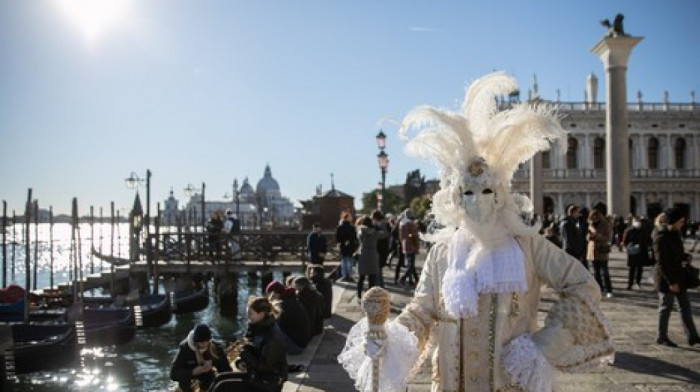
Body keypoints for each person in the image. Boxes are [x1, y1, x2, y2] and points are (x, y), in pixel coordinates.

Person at [337, 72, 613, 392]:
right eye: (468, 193)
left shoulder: (527, 247)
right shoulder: (442, 253)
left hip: (510, 383)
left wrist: (542, 348)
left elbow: (583, 286)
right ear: (455, 198)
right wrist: (389, 339)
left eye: (485, 192)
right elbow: (422, 311)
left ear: (499, 195)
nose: (476, 201)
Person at [210, 296, 288, 392]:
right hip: (257, 375)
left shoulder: (273, 336)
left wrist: (246, 357)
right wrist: (240, 361)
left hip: (267, 383)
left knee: (222, 387)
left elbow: (267, 368)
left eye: (250, 314)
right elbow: (249, 350)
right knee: (219, 378)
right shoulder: (257, 327)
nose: (248, 317)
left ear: (262, 314)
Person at [653, 207, 700, 348]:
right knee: (665, 307)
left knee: (685, 307)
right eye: (680, 221)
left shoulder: (675, 234)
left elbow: (677, 254)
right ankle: (661, 336)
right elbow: (662, 263)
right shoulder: (660, 237)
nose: (683, 223)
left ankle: (693, 336)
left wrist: (686, 256)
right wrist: (671, 282)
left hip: (679, 275)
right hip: (666, 278)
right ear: (673, 221)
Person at [170, 323, 232, 392]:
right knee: (184, 382)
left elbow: (227, 371)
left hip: (207, 374)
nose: (204, 344)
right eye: (201, 342)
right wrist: (193, 372)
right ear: (195, 341)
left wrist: (212, 362)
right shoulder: (184, 349)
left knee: (213, 382)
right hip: (188, 374)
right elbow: (173, 374)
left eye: (207, 341)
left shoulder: (215, 347)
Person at [264, 280, 310, 355]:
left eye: (269, 295)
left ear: (274, 293)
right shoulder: (291, 298)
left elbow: (274, 322)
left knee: (269, 326)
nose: (269, 297)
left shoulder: (283, 305)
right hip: (302, 342)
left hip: (296, 347)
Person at [355, 215, 385, 300]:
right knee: (372, 278)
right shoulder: (375, 232)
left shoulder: (360, 231)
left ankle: (359, 296)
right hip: (373, 256)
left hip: (363, 255)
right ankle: (370, 297)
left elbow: (358, 237)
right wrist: (379, 224)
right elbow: (385, 234)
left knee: (361, 278)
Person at [587, 203, 614, 298]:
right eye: (592, 217)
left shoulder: (605, 224)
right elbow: (588, 237)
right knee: (596, 272)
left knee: (604, 271)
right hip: (592, 250)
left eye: (595, 217)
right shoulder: (590, 225)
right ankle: (599, 289)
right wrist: (589, 237)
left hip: (602, 250)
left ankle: (608, 289)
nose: (594, 219)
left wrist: (596, 236)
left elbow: (608, 237)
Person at [622, 216, 651, 290]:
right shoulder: (629, 230)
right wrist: (629, 245)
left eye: (639, 221)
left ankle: (638, 283)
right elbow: (625, 241)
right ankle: (630, 284)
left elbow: (647, 239)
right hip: (632, 252)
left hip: (641, 251)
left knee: (640, 268)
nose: (638, 223)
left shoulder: (643, 230)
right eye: (636, 221)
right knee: (632, 268)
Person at [398, 209, 420, 288]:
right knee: (411, 265)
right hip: (411, 246)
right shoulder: (411, 224)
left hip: (405, 245)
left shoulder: (401, 224)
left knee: (410, 265)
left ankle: (416, 280)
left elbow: (401, 236)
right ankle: (403, 278)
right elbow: (413, 236)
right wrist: (416, 246)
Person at [335, 212, 358, 282]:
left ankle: (344, 275)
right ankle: (350, 275)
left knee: (343, 261)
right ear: (347, 218)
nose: (351, 218)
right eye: (350, 217)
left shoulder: (339, 227)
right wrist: (350, 241)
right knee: (350, 260)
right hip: (350, 246)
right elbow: (354, 237)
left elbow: (337, 237)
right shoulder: (352, 227)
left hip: (342, 246)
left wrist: (342, 242)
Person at [372, 210, 391, 288]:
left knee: (378, 269)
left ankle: (379, 286)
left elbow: (384, 234)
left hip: (380, 249)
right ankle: (380, 285)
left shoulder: (380, 224)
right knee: (378, 269)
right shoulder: (384, 223)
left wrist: (375, 234)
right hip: (383, 248)